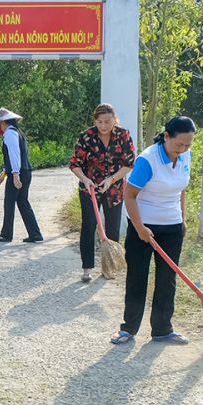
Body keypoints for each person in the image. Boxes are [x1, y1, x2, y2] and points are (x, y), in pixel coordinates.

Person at [111, 116, 196, 346]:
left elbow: (182, 190)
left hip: (172, 226)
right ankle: (128, 328)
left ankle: (162, 329)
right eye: (179, 144)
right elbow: (129, 195)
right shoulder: (148, 160)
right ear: (166, 136)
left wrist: (182, 219)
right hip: (143, 225)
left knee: (167, 279)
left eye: (188, 145)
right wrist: (140, 228)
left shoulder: (185, 155)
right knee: (137, 277)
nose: (183, 149)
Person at [70, 103, 136, 282]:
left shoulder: (123, 135)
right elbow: (75, 163)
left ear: (114, 120)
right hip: (89, 187)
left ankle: (109, 267)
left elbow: (129, 163)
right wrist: (85, 179)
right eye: (99, 122)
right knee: (89, 226)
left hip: (114, 188)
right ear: (95, 121)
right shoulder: (86, 136)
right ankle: (87, 268)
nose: (104, 126)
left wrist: (111, 179)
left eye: (108, 122)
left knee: (113, 227)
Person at [0, 107, 43, 243]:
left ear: (4, 122)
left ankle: (6, 234)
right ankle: (35, 234)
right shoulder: (17, 132)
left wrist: (15, 174)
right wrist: (5, 172)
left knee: (9, 202)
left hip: (19, 173)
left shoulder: (10, 134)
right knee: (22, 202)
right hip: (25, 171)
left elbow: (14, 155)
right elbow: (13, 158)